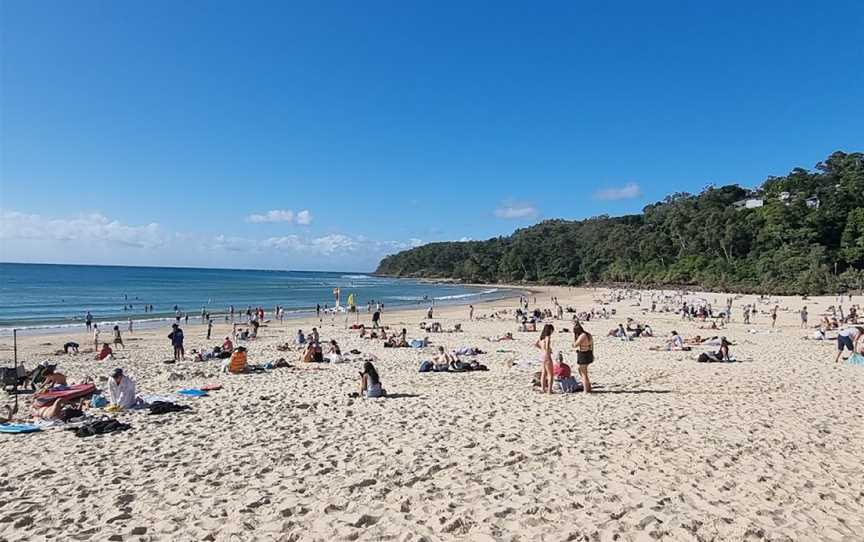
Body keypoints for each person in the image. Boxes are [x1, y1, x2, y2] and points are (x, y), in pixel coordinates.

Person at [573, 322, 593, 393]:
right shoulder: (588, 335)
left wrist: (575, 338)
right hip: (589, 352)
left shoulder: (582, 336)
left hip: (583, 354)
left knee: (583, 373)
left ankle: (585, 390)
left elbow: (575, 345)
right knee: (583, 371)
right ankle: (588, 387)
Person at [535, 324, 554, 394]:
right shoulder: (547, 337)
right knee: (550, 374)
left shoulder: (541, 338)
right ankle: (549, 390)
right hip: (547, 356)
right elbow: (547, 346)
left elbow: (536, 344)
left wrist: (542, 349)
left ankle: (543, 389)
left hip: (542, 355)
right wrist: (549, 350)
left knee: (543, 373)